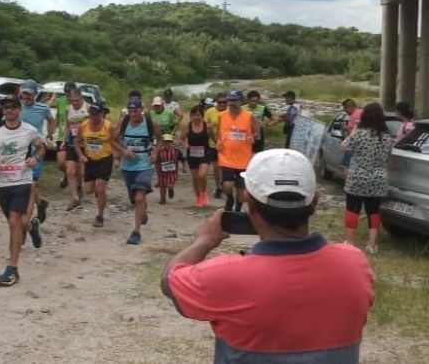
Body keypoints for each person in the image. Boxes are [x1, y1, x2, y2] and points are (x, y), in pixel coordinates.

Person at [161, 148, 375, 364]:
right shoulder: (354, 264)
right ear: (314, 202)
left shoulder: (225, 276)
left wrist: (203, 241)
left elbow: (169, 281)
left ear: (249, 203)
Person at [0, 95, 45, 286]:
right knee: (20, 223)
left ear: (19, 109)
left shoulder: (29, 130)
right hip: (3, 183)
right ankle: (32, 226)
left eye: (12, 107)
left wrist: (35, 158)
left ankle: (12, 268)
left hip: (23, 181)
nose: (8, 110)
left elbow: (41, 147)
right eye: (5, 107)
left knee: (13, 221)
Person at [341, 102, 394, 254]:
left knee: (352, 210)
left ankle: (350, 242)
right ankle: (372, 244)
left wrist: (354, 130)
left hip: (358, 176)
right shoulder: (386, 136)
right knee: (373, 211)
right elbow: (388, 155)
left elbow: (344, 146)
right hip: (378, 178)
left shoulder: (360, 133)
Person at [116, 97, 161, 245]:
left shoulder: (150, 123)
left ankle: (136, 232)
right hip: (127, 166)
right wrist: (123, 151)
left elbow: (160, 139)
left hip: (144, 165)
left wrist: (155, 153)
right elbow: (112, 140)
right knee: (134, 199)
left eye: (135, 111)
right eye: (130, 111)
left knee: (139, 198)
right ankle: (142, 211)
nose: (133, 114)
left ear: (141, 110)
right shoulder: (124, 123)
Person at [18, 79, 56, 228]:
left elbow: (51, 121)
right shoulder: (15, 107)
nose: (26, 97)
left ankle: (25, 225)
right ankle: (41, 203)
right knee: (25, 188)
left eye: (29, 94)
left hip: (36, 152)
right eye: (24, 94)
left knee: (31, 186)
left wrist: (49, 135)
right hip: (18, 154)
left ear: (35, 94)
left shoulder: (42, 108)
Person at [216, 90, 260, 212]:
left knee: (241, 190)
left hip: (243, 159)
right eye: (230, 100)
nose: (232, 103)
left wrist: (254, 136)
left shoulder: (248, 116)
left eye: (235, 100)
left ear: (241, 101)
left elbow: (257, 131)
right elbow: (218, 132)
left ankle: (238, 210)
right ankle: (229, 198)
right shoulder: (222, 116)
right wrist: (218, 141)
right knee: (227, 184)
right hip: (226, 156)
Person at [75, 101, 117, 228]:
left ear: (102, 114)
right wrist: (81, 155)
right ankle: (99, 193)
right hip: (90, 160)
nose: (93, 117)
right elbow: (77, 142)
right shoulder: (84, 125)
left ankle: (100, 216)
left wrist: (118, 158)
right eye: (91, 114)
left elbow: (117, 143)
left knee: (100, 187)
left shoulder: (109, 127)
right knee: (88, 190)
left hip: (105, 159)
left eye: (96, 114)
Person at [62, 88, 89, 211]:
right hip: (72, 143)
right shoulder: (68, 109)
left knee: (81, 172)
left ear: (81, 98)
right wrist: (64, 140)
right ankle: (75, 198)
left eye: (77, 101)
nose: (74, 103)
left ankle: (79, 187)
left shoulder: (88, 107)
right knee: (69, 170)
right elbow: (67, 126)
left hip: (85, 145)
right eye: (72, 101)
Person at [181, 105, 211, 207]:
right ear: (190, 116)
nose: (196, 117)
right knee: (195, 178)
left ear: (202, 116)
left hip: (205, 153)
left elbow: (215, 138)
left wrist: (219, 145)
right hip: (192, 154)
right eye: (193, 115)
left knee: (201, 175)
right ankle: (198, 197)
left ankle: (204, 193)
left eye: (198, 115)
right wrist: (184, 144)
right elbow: (181, 138)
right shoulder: (188, 127)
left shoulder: (207, 126)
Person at [204, 92, 227, 198]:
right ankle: (218, 187)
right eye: (220, 102)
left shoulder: (229, 112)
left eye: (224, 102)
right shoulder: (209, 112)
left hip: (227, 144)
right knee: (216, 167)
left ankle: (225, 185)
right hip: (213, 143)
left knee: (225, 167)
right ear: (216, 102)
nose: (222, 104)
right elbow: (206, 127)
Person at [55, 82, 76, 189]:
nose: (68, 95)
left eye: (70, 92)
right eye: (66, 92)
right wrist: (52, 131)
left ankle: (73, 178)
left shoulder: (77, 102)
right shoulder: (61, 101)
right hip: (61, 135)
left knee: (73, 164)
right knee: (60, 163)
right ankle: (68, 175)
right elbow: (58, 116)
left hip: (74, 136)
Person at [340, 99, 364, 179]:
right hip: (362, 147)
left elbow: (351, 133)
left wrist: (344, 128)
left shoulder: (354, 115)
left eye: (345, 110)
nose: (346, 113)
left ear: (349, 107)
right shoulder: (362, 112)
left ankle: (347, 185)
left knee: (346, 166)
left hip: (352, 147)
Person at [156, 133, 180, 205]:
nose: (167, 144)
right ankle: (163, 199)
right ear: (162, 143)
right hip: (162, 171)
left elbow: (181, 158)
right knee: (162, 185)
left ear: (171, 142)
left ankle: (170, 189)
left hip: (172, 171)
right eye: (165, 142)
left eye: (169, 142)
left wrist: (184, 166)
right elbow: (156, 160)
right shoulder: (159, 151)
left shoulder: (176, 151)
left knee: (171, 182)